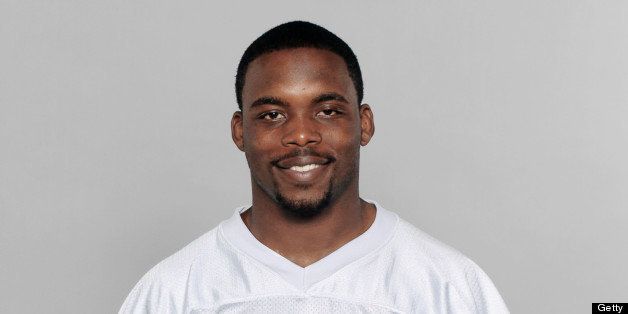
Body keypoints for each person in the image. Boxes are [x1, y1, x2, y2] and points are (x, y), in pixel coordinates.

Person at [119, 21, 509, 313]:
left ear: (364, 124)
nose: (301, 135)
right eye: (272, 114)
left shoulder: (447, 288)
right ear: (240, 132)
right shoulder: (174, 293)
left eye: (327, 111)